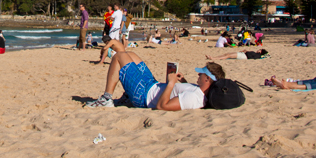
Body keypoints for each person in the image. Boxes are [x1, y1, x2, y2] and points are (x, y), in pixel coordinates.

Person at [85, 49, 225, 110]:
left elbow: (162, 106)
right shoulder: (198, 91)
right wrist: (182, 81)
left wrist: (170, 83)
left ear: (207, 79)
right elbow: (180, 92)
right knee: (131, 55)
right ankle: (126, 96)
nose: (198, 76)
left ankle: (106, 99)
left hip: (143, 96)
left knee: (118, 56)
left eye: (201, 75)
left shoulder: (195, 98)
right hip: (151, 85)